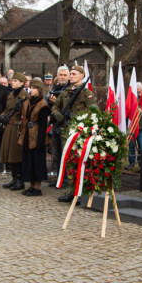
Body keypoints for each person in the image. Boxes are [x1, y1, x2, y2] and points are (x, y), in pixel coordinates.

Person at [52, 65, 97, 202]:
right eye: (70, 74)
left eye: (74, 74)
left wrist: (84, 124)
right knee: (70, 162)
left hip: (80, 133)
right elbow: (55, 105)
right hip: (66, 132)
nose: (70, 76)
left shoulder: (86, 93)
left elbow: (94, 112)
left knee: (79, 162)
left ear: (82, 76)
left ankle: (80, 192)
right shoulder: (66, 92)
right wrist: (58, 115)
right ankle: (72, 191)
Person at [18, 78, 51, 196]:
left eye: (34, 88)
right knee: (29, 160)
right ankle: (31, 186)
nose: (31, 90)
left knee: (37, 161)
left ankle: (37, 187)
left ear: (39, 90)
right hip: (27, 134)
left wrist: (40, 141)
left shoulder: (43, 104)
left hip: (37, 135)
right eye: (31, 88)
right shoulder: (27, 102)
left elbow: (43, 125)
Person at [0, 72, 28, 190]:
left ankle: (20, 180)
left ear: (22, 83)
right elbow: (7, 109)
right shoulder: (10, 94)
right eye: (12, 80)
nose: (13, 82)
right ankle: (14, 178)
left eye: (16, 81)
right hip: (10, 127)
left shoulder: (25, 96)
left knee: (17, 155)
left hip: (18, 127)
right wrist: (2, 116)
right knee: (10, 154)